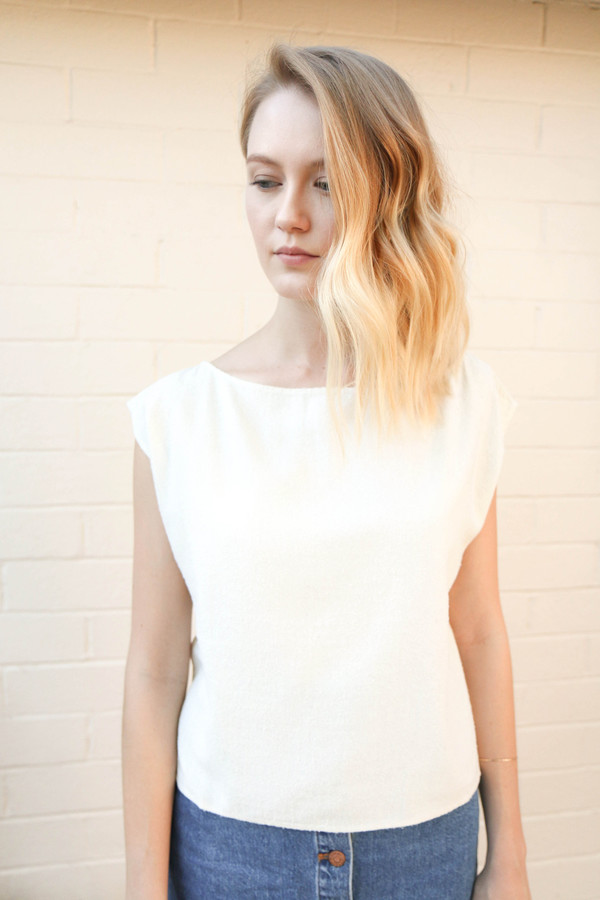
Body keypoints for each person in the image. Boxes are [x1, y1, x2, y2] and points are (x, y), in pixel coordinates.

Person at [122, 42, 531, 900]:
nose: (289, 217)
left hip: (425, 843)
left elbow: (480, 631)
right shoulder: (177, 420)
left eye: (327, 183)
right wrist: (143, 886)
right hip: (230, 849)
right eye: (265, 180)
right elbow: (155, 671)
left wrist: (512, 854)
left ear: (387, 192)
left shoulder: (462, 404)